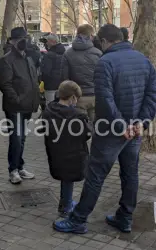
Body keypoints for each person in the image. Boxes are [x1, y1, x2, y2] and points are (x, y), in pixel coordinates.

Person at [54, 24, 156, 234]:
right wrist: (140, 123)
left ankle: (79, 219)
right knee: (130, 174)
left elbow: (106, 100)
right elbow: (152, 95)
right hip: (134, 131)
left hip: (111, 130)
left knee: (96, 175)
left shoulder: (105, 62)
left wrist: (121, 126)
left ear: (103, 41)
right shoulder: (144, 60)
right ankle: (125, 217)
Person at [43, 80, 91, 218]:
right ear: (73, 97)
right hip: (72, 155)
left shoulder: (49, 110)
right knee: (68, 179)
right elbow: (86, 134)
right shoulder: (76, 116)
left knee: (66, 179)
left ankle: (66, 203)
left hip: (56, 153)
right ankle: (66, 207)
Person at [0, 27, 40, 184]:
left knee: (22, 138)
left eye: (26, 38)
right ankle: (13, 170)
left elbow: (33, 79)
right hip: (15, 107)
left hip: (28, 105)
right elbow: (4, 84)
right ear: (13, 41)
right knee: (16, 138)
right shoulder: (6, 60)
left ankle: (19, 166)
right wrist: (16, 99)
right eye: (21, 39)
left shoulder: (28, 59)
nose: (25, 42)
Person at [61, 24, 102, 122]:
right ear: (91, 36)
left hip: (77, 97)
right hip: (95, 96)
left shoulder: (68, 54)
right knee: (95, 128)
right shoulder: (98, 53)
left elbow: (64, 78)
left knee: (78, 130)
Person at [41, 33, 65, 104]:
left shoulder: (48, 55)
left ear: (52, 42)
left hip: (50, 85)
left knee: (50, 105)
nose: (47, 43)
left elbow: (45, 72)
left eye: (47, 41)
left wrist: (42, 80)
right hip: (62, 84)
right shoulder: (65, 53)